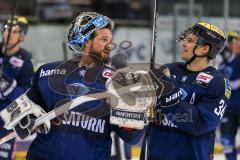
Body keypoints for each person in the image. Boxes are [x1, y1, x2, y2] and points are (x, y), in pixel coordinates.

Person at [0, 12, 143, 160]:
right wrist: (26, 119)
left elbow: (131, 137)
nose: (110, 45)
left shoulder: (118, 82)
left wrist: (133, 114)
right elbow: (16, 117)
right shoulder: (46, 72)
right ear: (87, 41)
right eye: (104, 39)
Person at [140, 22, 231, 160]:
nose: (184, 44)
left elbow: (201, 124)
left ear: (205, 49)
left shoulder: (218, 82)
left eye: (190, 41)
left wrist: (170, 97)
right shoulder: (168, 70)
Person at [0, 16, 34, 160]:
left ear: (22, 36)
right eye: (6, 29)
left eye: (14, 31)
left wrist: (6, 83)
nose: (8, 33)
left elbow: (26, 96)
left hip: (4, 122)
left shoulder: (25, 61)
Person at [219, 31, 240, 160]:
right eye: (235, 41)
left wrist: (229, 84)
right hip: (228, 107)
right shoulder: (222, 65)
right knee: (227, 139)